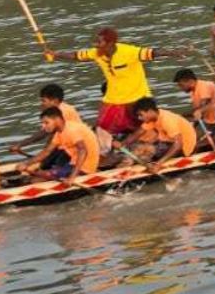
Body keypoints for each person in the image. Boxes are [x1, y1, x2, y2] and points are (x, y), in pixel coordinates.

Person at [51, 28, 189, 138]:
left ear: (110, 43)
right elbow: (76, 55)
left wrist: (174, 53)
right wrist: (55, 54)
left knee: (144, 126)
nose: (96, 45)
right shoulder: (96, 53)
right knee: (102, 127)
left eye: (99, 42)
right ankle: (105, 153)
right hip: (113, 98)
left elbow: (153, 53)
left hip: (137, 96)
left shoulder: (129, 51)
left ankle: (159, 142)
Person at [21, 101, 101, 181]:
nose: (43, 127)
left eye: (46, 123)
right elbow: (46, 152)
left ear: (57, 119)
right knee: (40, 172)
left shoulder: (71, 130)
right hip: (73, 162)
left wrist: (72, 177)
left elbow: (83, 151)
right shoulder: (60, 132)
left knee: (40, 177)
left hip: (86, 167)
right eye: (42, 123)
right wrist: (26, 164)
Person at [125, 98, 198, 168]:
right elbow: (139, 132)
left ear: (150, 111)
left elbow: (178, 144)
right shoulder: (152, 118)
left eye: (141, 115)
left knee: (147, 149)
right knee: (140, 148)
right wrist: (122, 144)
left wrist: (159, 164)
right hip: (169, 141)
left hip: (184, 147)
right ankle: (138, 163)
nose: (139, 118)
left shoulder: (167, 120)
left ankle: (151, 164)